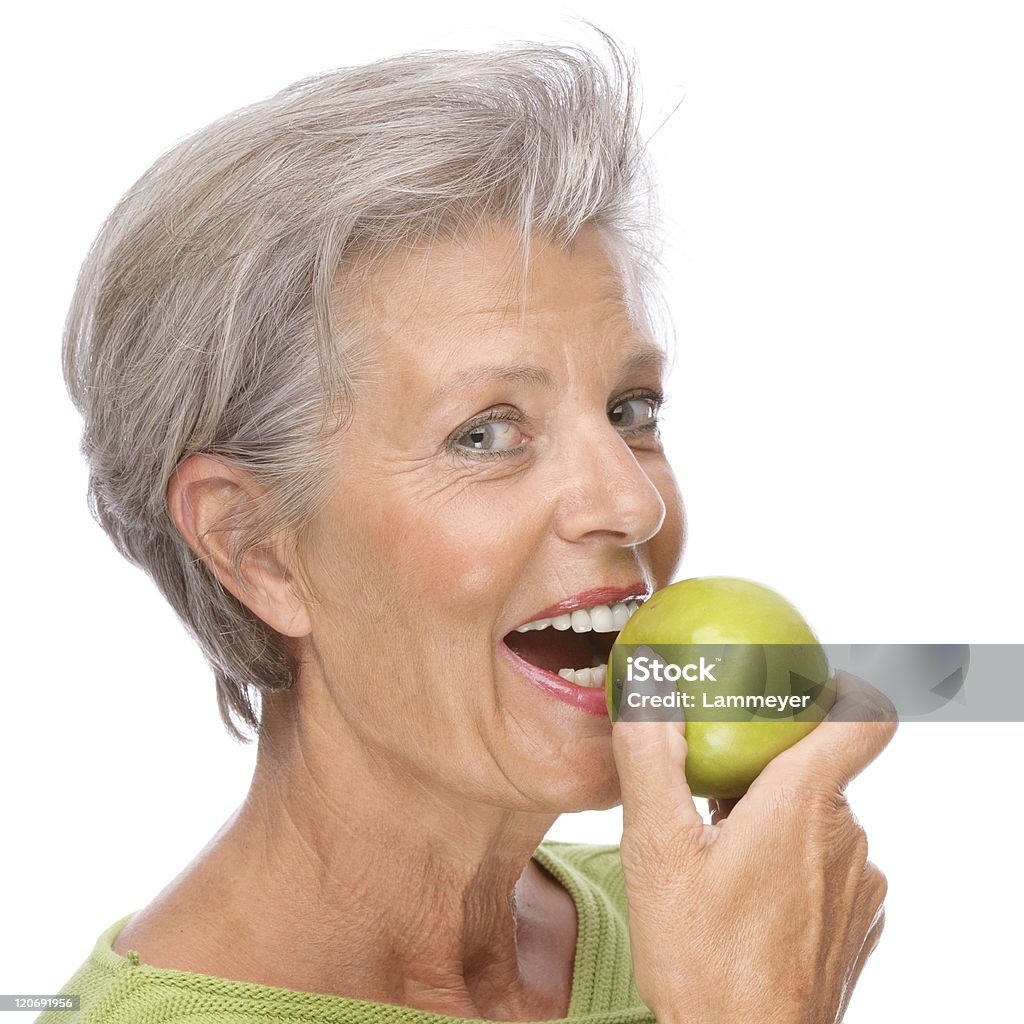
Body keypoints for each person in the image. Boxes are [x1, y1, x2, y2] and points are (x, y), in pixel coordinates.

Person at [44, 34, 895, 1024]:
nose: (631, 502)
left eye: (630, 410)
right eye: (486, 433)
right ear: (257, 547)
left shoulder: (697, 924)